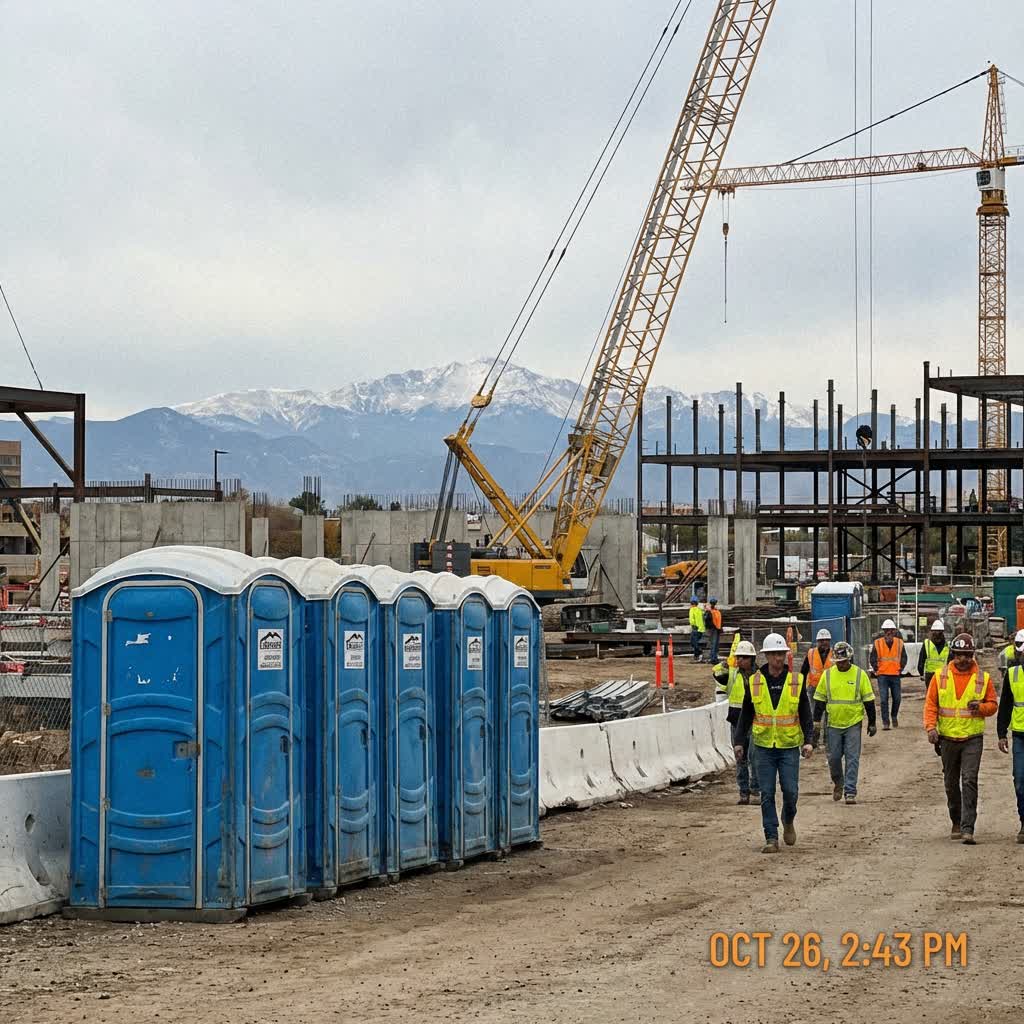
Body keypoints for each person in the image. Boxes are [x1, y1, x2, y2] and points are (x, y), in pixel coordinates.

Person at [734, 632, 813, 853]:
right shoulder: (755, 681)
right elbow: (746, 714)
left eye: (782, 653)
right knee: (766, 793)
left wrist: (809, 740)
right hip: (763, 747)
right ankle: (771, 836)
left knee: (790, 792)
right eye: (776, 654)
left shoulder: (795, 681)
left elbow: (805, 712)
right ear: (767, 656)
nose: (780, 658)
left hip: (788, 747)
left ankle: (788, 819)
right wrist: (739, 741)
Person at [924, 632, 998, 844]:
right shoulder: (940, 677)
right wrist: (931, 728)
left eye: (966, 655)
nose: (962, 660)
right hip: (947, 739)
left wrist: (981, 707)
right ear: (953, 654)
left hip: (972, 738)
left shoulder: (983, 679)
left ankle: (968, 827)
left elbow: (993, 705)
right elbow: (930, 705)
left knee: (969, 780)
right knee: (950, 783)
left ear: (972, 655)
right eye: (958, 655)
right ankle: (956, 820)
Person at [811, 641, 876, 804]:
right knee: (833, 758)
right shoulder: (827, 675)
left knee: (852, 758)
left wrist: (872, 722)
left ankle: (850, 791)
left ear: (849, 659)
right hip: (833, 723)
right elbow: (819, 701)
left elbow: (869, 701)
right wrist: (816, 723)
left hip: (853, 723)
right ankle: (838, 782)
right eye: (838, 661)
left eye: (844, 661)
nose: (841, 664)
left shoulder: (860, 675)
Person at [715, 640, 760, 805]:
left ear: (752, 659)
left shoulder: (760, 675)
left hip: (755, 722)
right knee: (740, 758)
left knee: (755, 758)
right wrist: (725, 664)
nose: (740, 660)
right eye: (738, 657)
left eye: (744, 657)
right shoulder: (732, 674)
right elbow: (717, 675)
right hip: (737, 722)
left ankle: (756, 790)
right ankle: (744, 792)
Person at [996, 629, 1024, 844]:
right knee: (1020, 781)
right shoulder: (1012, 674)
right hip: (1020, 736)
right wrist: (1001, 733)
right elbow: (1005, 704)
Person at [869, 619, 907, 729]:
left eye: (891, 630)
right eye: (887, 630)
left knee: (897, 698)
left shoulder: (900, 643)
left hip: (895, 675)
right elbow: (873, 658)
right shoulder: (878, 643)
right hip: (883, 675)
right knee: (883, 699)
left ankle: (894, 716)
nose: (889, 633)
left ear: (894, 631)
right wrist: (877, 669)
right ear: (884, 631)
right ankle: (886, 722)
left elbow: (904, 657)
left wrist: (901, 668)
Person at [705, 597, 723, 664]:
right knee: (714, 644)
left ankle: (715, 658)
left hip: (717, 629)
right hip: (713, 629)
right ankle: (713, 658)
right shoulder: (709, 612)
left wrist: (720, 628)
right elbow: (708, 621)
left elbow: (720, 620)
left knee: (716, 644)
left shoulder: (717, 612)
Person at [689, 596, 706, 663]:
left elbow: (691, 620)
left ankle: (699, 654)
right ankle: (697, 655)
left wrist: (693, 625)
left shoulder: (692, 610)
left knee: (694, 643)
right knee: (696, 643)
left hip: (695, 628)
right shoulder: (699, 610)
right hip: (701, 629)